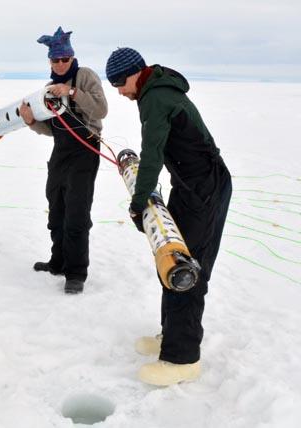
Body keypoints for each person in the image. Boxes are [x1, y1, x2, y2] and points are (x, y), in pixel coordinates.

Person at [105, 47, 232, 385]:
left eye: (120, 81)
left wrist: (139, 200)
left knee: (185, 266)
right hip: (190, 185)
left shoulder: (155, 98)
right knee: (167, 257)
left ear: (136, 72)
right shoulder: (156, 91)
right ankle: (171, 336)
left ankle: (182, 358)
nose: (119, 90)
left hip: (205, 188)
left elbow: (152, 154)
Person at [20, 27, 108, 294]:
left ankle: (76, 272)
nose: (60, 64)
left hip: (86, 151)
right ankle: (58, 261)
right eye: (55, 60)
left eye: (64, 59)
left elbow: (101, 109)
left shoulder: (85, 76)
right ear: (50, 61)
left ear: (71, 58)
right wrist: (32, 122)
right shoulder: (48, 89)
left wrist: (71, 92)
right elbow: (52, 128)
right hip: (60, 152)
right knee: (56, 207)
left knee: (77, 213)